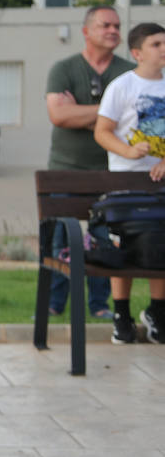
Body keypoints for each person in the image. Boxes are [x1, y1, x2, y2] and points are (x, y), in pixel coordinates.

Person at [45, 5, 132, 317]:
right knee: (59, 240)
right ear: (86, 31)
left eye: (117, 26)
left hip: (110, 172)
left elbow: (130, 122)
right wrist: (108, 115)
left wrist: (80, 112)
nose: (113, 31)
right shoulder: (63, 69)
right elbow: (58, 115)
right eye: (105, 25)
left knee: (104, 241)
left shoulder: (127, 73)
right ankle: (54, 304)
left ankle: (99, 306)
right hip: (65, 171)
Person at [94, 21, 165, 345]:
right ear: (137, 53)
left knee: (160, 244)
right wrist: (128, 151)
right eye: (156, 44)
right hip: (126, 182)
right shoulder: (122, 86)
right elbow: (103, 131)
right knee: (125, 246)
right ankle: (121, 314)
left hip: (160, 185)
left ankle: (157, 312)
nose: (163, 49)